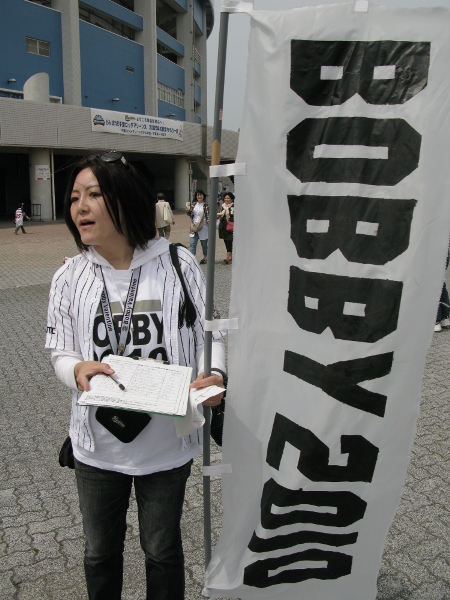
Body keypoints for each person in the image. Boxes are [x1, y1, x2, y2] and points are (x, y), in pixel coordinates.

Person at [45, 151, 226, 600]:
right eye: (74, 198)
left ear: (125, 200)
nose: (79, 207)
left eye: (94, 195)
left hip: (166, 448)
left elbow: (212, 335)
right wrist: (76, 370)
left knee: (162, 551)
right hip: (96, 448)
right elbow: (60, 352)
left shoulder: (180, 265)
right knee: (99, 553)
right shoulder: (69, 277)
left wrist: (215, 375)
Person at [187, 189, 209, 264]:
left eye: (200, 195)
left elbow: (208, 216)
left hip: (204, 226)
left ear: (203, 196)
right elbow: (189, 214)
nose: (199, 196)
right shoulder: (193, 204)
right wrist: (188, 210)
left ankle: (205, 257)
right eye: (198, 195)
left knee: (204, 244)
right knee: (192, 243)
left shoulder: (206, 205)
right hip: (194, 226)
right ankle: (191, 258)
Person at [217, 192, 235, 264]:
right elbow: (220, 214)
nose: (226, 199)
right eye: (225, 198)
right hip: (223, 226)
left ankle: (227, 257)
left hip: (230, 226)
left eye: (228, 198)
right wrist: (219, 215)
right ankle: (230, 256)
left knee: (229, 241)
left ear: (232, 199)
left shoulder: (233, 206)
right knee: (226, 241)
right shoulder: (222, 206)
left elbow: (233, 216)